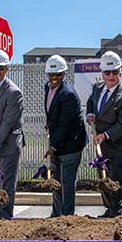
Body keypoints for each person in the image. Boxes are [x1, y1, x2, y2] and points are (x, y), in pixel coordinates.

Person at [86, 51, 122, 218]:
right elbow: (90, 102)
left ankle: (115, 212)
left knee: (116, 177)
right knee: (103, 175)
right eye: (107, 72)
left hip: (119, 143)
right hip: (102, 143)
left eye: (115, 72)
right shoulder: (97, 88)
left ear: (120, 72)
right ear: (102, 74)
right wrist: (90, 114)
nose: (111, 76)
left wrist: (105, 135)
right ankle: (108, 207)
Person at [44, 55, 87, 217]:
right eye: (51, 75)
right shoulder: (47, 88)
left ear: (64, 74)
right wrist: (49, 123)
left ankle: (68, 216)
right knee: (56, 180)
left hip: (71, 144)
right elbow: (52, 112)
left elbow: (65, 126)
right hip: (58, 139)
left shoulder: (68, 94)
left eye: (58, 75)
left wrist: (52, 147)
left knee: (67, 182)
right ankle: (56, 214)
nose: (54, 78)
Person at [0, 49, 24, 219]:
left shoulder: (14, 92)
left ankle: (6, 216)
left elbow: (8, 123)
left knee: (7, 182)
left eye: (1, 68)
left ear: (7, 69)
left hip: (9, 142)